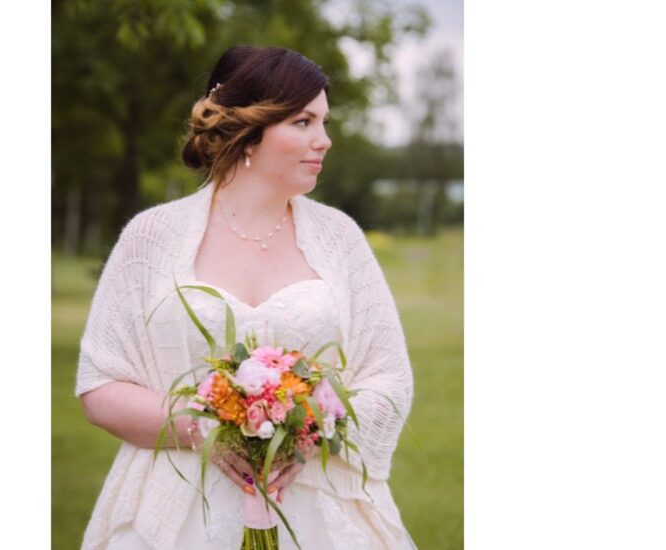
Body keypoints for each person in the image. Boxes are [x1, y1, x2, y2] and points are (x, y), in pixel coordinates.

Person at [75, 46, 416, 549]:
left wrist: (308, 435)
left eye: (324, 122)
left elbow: (389, 376)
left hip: (316, 510)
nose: (324, 140)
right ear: (247, 131)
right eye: (303, 122)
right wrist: (204, 430)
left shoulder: (340, 239)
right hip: (177, 514)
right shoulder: (150, 239)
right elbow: (101, 384)